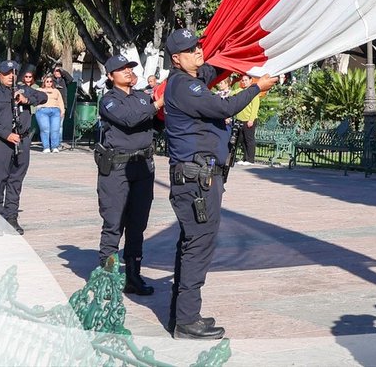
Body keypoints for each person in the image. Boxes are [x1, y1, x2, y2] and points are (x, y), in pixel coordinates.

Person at [161, 28, 277, 340]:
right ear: (176, 58)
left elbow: (216, 68)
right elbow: (225, 108)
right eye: (191, 50)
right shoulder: (184, 85)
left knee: (193, 244)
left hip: (199, 178)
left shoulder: (191, 79)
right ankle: (186, 320)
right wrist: (256, 87)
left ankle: (183, 313)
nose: (198, 52)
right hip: (196, 181)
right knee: (199, 246)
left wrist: (235, 53)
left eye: (199, 46)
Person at [96, 54, 163, 296]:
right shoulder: (109, 101)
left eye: (129, 68)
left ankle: (133, 276)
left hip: (142, 167)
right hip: (117, 169)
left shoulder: (142, 97)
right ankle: (107, 279)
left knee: (137, 225)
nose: (127, 71)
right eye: (121, 69)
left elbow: (156, 124)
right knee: (114, 223)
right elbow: (129, 120)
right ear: (111, 76)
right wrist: (156, 106)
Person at [0, 60, 46, 233]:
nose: (11, 76)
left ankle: (11, 218)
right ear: (0, 75)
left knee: (15, 181)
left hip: (22, 142)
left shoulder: (22, 89)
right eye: (7, 73)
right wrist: (6, 134)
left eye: (13, 72)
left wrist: (27, 99)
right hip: (1, 143)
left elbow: (43, 97)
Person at [232, 73, 261, 165]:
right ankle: (245, 158)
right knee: (242, 140)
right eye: (243, 80)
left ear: (250, 81)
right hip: (240, 119)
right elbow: (230, 93)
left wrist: (251, 119)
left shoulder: (253, 93)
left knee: (249, 140)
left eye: (246, 80)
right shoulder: (240, 91)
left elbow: (255, 107)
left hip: (249, 120)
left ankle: (250, 159)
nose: (244, 82)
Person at [36, 73, 67, 152]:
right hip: (43, 110)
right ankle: (46, 147)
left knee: (55, 129)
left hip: (55, 111)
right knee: (45, 129)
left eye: (50, 81)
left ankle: (54, 147)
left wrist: (62, 111)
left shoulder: (56, 91)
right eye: (47, 81)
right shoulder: (39, 90)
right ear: (44, 82)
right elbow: (34, 99)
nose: (49, 83)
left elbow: (60, 101)